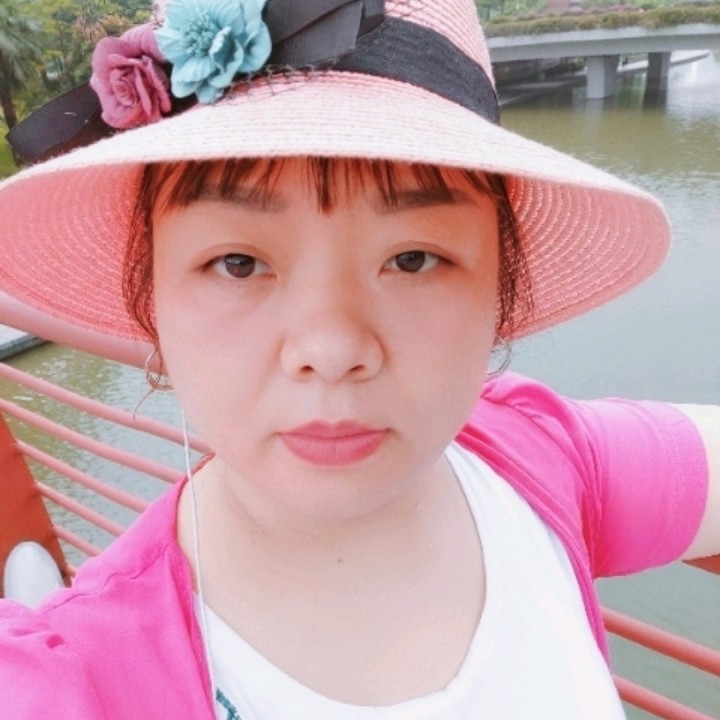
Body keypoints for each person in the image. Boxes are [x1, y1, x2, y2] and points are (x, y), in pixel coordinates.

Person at [0, 0, 717, 717]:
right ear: (150, 293)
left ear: (501, 287)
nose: (331, 350)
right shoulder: (72, 685)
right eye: (239, 263)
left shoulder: (538, 458)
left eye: (412, 259)